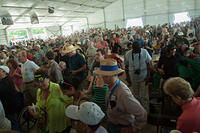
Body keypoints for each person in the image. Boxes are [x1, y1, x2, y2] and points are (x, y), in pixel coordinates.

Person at [94, 59, 147, 133]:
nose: (102, 77)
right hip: (113, 124)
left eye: (104, 76)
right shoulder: (109, 86)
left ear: (111, 75)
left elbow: (142, 113)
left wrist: (134, 128)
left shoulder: (123, 93)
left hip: (122, 127)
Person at [28, 67, 73, 133]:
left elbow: (71, 100)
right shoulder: (39, 91)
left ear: (48, 78)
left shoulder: (57, 88)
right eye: (38, 82)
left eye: (42, 81)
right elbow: (40, 106)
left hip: (61, 126)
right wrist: (35, 110)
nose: (40, 84)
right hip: (47, 126)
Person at [125, 41, 152, 112]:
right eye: (136, 50)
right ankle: (138, 111)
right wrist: (127, 77)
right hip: (133, 78)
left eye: (138, 49)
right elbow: (126, 67)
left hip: (144, 77)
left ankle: (146, 112)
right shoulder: (128, 54)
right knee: (136, 96)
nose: (138, 51)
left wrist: (148, 76)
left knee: (144, 96)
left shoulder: (144, 52)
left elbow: (149, 64)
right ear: (132, 48)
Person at [0, 66, 19, 131]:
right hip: (8, 106)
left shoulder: (6, 82)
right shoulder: (5, 79)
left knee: (13, 123)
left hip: (10, 107)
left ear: (4, 72)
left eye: (0, 70)